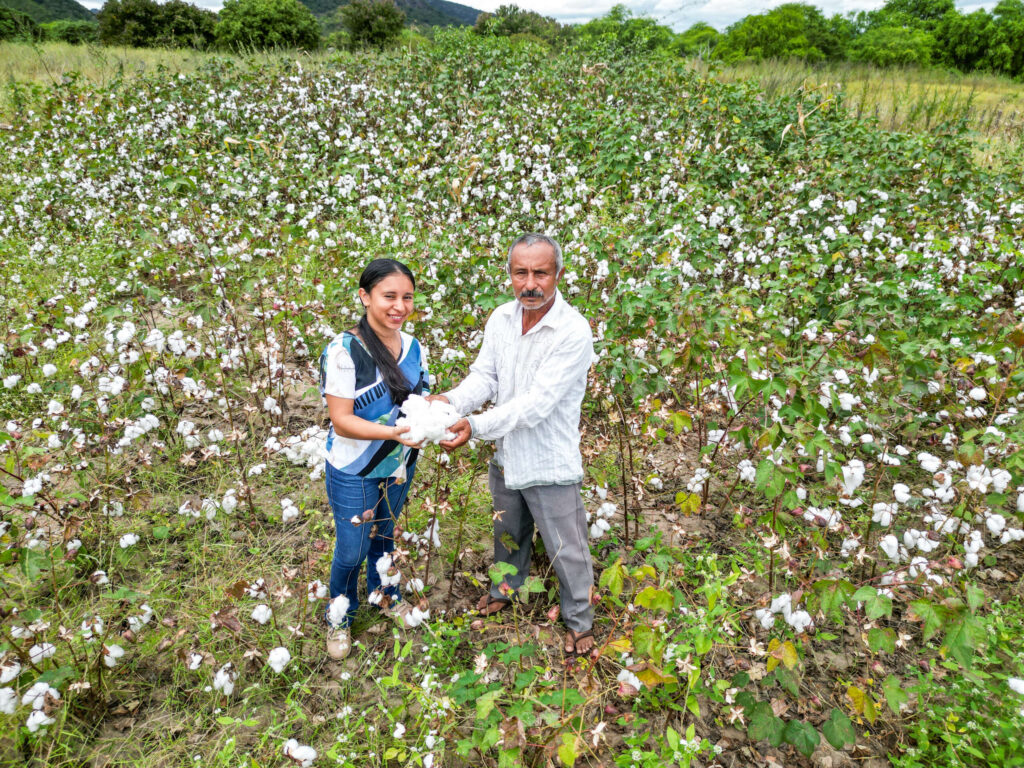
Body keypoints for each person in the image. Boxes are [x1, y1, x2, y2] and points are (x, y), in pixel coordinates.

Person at [432, 233, 597, 656]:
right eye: (520, 272)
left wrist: (475, 424)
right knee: (508, 533)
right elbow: (485, 376)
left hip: (549, 460)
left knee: (566, 547)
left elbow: (536, 405)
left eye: (540, 272)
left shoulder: (573, 331)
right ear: (509, 275)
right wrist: (450, 402)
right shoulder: (501, 319)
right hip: (506, 456)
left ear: (558, 274)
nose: (530, 283)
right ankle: (506, 590)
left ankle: (579, 621)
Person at [319, 258, 427, 660]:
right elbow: (342, 421)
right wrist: (394, 432)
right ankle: (339, 614)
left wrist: (439, 417)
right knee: (351, 548)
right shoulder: (345, 351)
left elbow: (418, 399)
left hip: (399, 465)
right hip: (354, 470)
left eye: (407, 297)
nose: (399, 306)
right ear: (365, 297)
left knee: (384, 538)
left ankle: (384, 593)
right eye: (389, 296)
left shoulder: (415, 347)